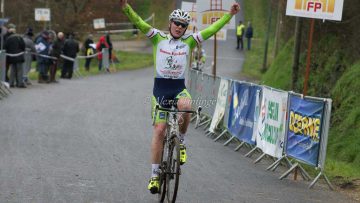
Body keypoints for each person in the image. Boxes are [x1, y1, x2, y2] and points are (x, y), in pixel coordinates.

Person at [119, 0, 240, 194]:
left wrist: (229, 15)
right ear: (170, 23)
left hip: (177, 89)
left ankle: (181, 142)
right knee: (159, 130)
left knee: (186, 104)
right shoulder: (157, 38)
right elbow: (140, 23)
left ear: (186, 29)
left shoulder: (189, 41)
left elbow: (212, 29)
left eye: (183, 25)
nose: (179, 27)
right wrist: (126, 7)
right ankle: (154, 175)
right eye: (176, 23)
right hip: (160, 91)